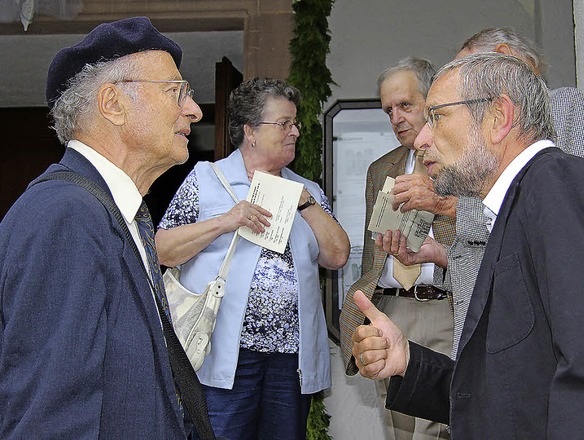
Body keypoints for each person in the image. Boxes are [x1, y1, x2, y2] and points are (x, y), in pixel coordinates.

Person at [353, 53, 584, 439]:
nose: (421, 139)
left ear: (499, 117)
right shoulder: (518, 206)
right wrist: (409, 360)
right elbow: (509, 389)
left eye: (437, 116)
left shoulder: (560, 186)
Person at [0, 17, 205, 438]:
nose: (194, 110)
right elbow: (49, 420)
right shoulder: (66, 216)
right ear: (112, 103)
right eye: (175, 92)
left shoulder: (111, 211)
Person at [388, 27, 584, 359]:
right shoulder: (481, 155)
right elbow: (497, 261)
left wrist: (448, 206)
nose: (425, 139)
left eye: (442, 114)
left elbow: (572, 233)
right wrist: (441, 255)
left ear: (504, 58)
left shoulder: (563, 106)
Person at [155, 77, 350, 439]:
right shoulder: (206, 179)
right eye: (284, 123)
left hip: (289, 359)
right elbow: (162, 249)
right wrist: (226, 221)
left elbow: (337, 256)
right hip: (224, 354)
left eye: (295, 124)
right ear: (251, 131)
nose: (295, 131)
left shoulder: (308, 191)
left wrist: (305, 202)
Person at [338, 57, 456, 440]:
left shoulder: (461, 162)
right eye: (389, 110)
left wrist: (435, 244)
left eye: (406, 105)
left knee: (439, 429)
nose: (396, 118)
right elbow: (374, 253)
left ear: (432, 100)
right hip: (387, 307)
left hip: (443, 308)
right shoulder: (380, 169)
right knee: (398, 431)